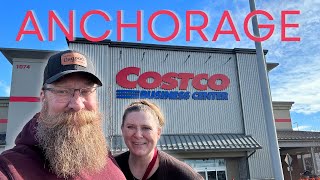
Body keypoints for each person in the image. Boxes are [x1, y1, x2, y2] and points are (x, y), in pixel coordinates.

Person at [0, 50, 126, 180]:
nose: (77, 105)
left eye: (86, 91)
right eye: (62, 91)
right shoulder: (10, 169)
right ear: (43, 97)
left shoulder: (102, 155)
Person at [115, 100, 203, 180]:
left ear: (158, 132)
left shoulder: (184, 176)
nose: (138, 135)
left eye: (146, 128)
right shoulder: (110, 167)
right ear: (122, 130)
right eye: (131, 127)